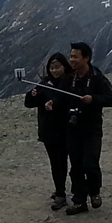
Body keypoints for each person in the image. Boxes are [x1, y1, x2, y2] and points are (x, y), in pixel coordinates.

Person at [63, 41, 112, 215]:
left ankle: (94, 192)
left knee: (90, 163)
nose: (71, 60)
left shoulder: (96, 77)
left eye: (75, 57)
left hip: (92, 127)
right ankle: (79, 200)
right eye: (71, 56)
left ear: (86, 58)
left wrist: (93, 99)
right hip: (72, 127)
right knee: (76, 165)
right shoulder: (69, 77)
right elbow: (60, 96)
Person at [23, 52, 73, 209]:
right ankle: (60, 191)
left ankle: (63, 193)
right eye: (52, 68)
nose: (54, 71)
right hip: (49, 131)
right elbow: (29, 103)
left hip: (66, 129)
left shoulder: (70, 83)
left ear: (64, 67)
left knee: (62, 162)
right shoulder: (45, 84)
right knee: (56, 163)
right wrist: (32, 95)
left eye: (57, 67)